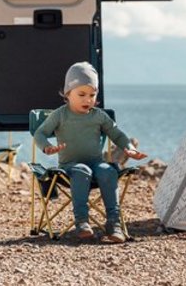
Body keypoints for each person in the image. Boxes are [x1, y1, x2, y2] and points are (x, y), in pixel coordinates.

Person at [32, 62, 146, 243]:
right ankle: (82, 222)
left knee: (108, 171)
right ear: (68, 94)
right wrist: (47, 147)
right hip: (70, 167)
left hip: (95, 163)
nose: (88, 100)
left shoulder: (98, 116)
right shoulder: (60, 115)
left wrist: (129, 149)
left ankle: (114, 223)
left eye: (92, 95)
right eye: (82, 94)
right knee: (81, 170)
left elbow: (116, 134)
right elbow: (40, 133)